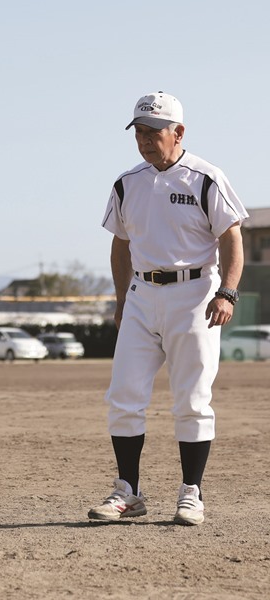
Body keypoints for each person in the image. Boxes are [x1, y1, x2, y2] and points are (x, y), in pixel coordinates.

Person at [89, 91, 248, 526]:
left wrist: (227, 292)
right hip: (142, 295)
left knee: (193, 399)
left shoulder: (205, 178)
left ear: (178, 132)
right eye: (137, 131)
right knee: (123, 395)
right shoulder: (128, 182)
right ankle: (128, 491)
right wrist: (123, 301)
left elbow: (231, 237)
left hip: (195, 294)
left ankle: (191, 493)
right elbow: (120, 244)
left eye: (152, 131)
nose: (143, 139)